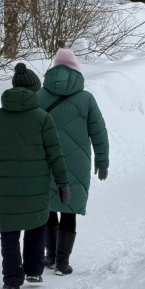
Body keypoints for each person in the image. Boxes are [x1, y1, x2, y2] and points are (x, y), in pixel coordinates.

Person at [0, 63, 70, 289]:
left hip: (4, 186)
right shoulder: (42, 118)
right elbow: (55, 153)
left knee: (9, 230)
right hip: (37, 184)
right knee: (36, 224)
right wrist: (62, 182)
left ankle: (12, 279)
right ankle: (33, 271)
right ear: (35, 89)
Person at [38, 49, 109, 276]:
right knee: (69, 210)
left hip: (46, 160)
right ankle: (62, 262)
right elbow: (99, 133)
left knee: (48, 207)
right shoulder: (86, 98)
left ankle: (49, 255)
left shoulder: (39, 96)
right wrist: (102, 160)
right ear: (76, 71)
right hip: (77, 163)